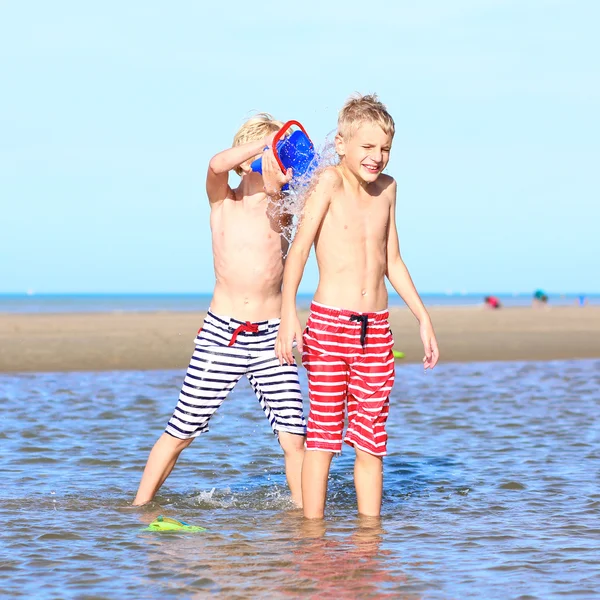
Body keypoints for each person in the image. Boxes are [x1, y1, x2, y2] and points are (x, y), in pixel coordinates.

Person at [275, 94, 440, 519]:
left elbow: (393, 261)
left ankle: (371, 540)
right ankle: (312, 535)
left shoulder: (389, 189)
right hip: (330, 327)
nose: (377, 157)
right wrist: (287, 315)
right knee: (324, 438)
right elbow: (298, 251)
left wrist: (423, 318)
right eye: (367, 147)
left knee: (371, 441)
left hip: (377, 331)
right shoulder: (328, 182)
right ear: (342, 144)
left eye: (384, 148)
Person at [133, 114, 306, 507]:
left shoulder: (283, 206)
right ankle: (138, 506)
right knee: (181, 430)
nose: (274, 162)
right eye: (268, 154)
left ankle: (303, 518)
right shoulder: (222, 202)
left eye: (278, 154)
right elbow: (215, 165)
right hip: (221, 334)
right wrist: (261, 150)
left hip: (271, 334)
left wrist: (280, 175)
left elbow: (292, 207)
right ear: (246, 161)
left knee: (294, 436)